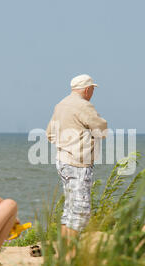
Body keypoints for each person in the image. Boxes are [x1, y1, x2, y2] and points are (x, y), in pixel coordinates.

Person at [46, 74, 108, 241]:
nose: (93, 92)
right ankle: (70, 249)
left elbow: (50, 134)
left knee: (70, 207)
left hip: (62, 161)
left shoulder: (60, 105)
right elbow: (101, 129)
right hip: (78, 163)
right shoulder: (84, 106)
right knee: (81, 210)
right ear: (87, 89)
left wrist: (65, 144)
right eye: (93, 89)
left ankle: (64, 246)